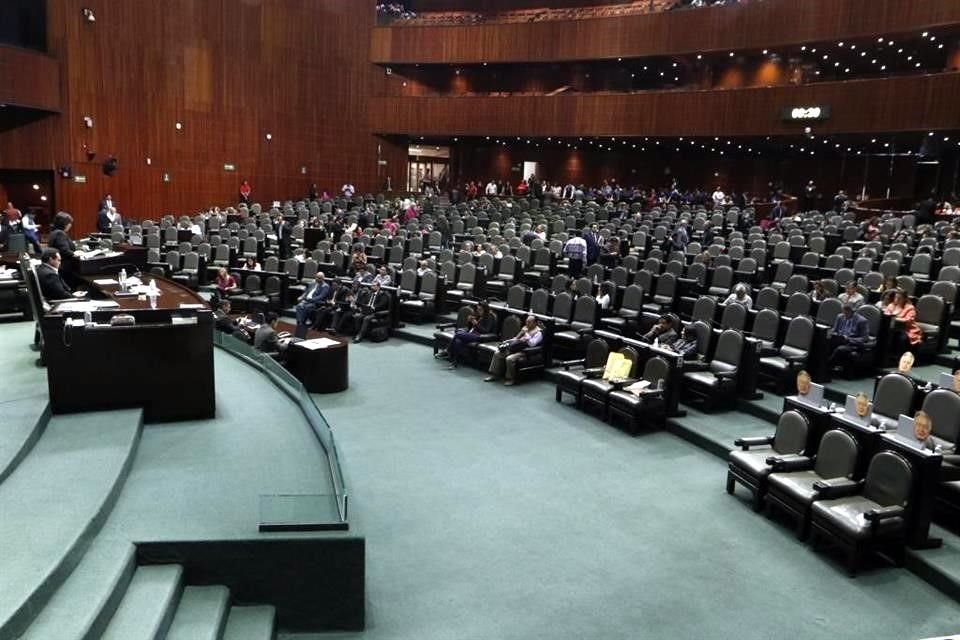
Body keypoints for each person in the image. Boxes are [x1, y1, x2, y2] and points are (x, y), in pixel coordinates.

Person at [485, 315, 543, 386]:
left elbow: (532, 344)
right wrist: (507, 341)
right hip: (515, 348)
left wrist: (526, 334)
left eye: (529, 322)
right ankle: (495, 375)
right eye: (526, 321)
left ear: (535, 323)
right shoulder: (525, 328)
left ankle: (510, 379)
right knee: (497, 353)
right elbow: (516, 338)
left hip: (525, 351)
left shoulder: (539, 332)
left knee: (509, 359)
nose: (527, 323)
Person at [445, 301, 497, 369]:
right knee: (458, 341)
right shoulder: (478, 315)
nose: (478, 311)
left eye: (480, 310)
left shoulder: (490, 317)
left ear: (485, 309)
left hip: (481, 337)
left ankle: (447, 351)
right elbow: (470, 328)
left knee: (458, 334)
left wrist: (476, 324)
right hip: (472, 334)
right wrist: (469, 322)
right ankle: (454, 363)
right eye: (477, 309)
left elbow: (486, 331)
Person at [827, 304, 869, 377]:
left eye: (847, 313)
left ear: (852, 312)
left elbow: (865, 338)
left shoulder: (862, 321)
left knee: (840, 349)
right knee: (825, 343)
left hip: (852, 344)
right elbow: (835, 330)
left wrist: (848, 339)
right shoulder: (840, 317)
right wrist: (832, 333)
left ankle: (827, 367)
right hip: (839, 340)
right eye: (844, 312)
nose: (845, 315)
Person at [883, 289, 922, 354]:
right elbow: (886, 315)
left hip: (907, 330)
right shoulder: (891, 305)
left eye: (899, 298)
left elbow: (908, 320)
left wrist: (894, 318)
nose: (897, 300)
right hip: (892, 329)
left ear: (904, 299)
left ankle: (899, 357)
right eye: (896, 297)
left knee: (900, 338)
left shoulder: (910, 308)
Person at [295, 272, 332, 338]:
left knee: (306, 307)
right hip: (306, 300)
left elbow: (321, 297)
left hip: (315, 303)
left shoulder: (325, 286)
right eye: (316, 277)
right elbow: (306, 292)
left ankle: (301, 324)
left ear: (323, 279)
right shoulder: (312, 283)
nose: (317, 279)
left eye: (319, 278)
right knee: (299, 306)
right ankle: (300, 323)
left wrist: (309, 300)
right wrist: (301, 296)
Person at [47, 212, 77, 285]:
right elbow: (64, 251)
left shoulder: (53, 232)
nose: (70, 225)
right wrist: (76, 253)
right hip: (64, 268)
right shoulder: (59, 233)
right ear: (65, 224)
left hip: (59, 267)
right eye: (69, 223)